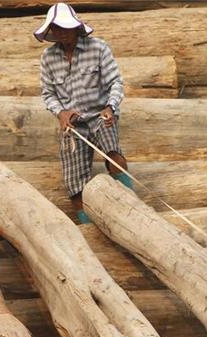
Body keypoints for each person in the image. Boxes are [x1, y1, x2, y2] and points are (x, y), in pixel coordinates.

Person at [35, 2, 133, 224]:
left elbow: (116, 82)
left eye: (65, 27)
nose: (61, 33)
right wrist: (61, 113)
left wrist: (110, 107)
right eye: (56, 29)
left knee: (112, 153)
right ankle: (87, 225)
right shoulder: (48, 58)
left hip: (100, 114)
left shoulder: (98, 48)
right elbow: (48, 94)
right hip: (74, 124)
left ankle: (131, 206)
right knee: (74, 180)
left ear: (76, 27)